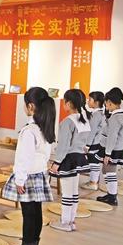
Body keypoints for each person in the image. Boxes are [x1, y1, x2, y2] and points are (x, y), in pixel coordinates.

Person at [1, 87, 55, 245]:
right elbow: (44, 155)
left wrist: (20, 179)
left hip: (28, 176)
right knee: (36, 213)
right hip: (39, 174)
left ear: (30, 106)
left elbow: (23, 158)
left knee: (28, 214)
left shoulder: (29, 130)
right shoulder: (44, 127)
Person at [49, 89, 90, 232]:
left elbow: (63, 145)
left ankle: (65, 223)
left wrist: (56, 163)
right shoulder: (84, 120)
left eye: (64, 101)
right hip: (79, 158)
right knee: (74, 192)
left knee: (66, 193)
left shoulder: (67, 122)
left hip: (68, 159)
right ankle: (71, 221)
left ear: (69, 103)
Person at [95, 88, 123, 207]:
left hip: (112, 149)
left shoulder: (115, 118)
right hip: (115, 148)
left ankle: (112, 197)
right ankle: (110, 194)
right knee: (106, 170)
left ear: (109, 102)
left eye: (106, 103)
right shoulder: (122, 116)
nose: (105, 106)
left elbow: (112, 137)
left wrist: (107, 154)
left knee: (109, 171)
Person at [82, 91, 106, 190]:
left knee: (93, 161)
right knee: (94, 161)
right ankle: (93, 181)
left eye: (90, 99)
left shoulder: (96, 115)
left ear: (96, 102)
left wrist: (87, 145)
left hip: (94, 142)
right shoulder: (99, 113)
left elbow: (92, 131)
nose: (88, 101)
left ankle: (93, 183)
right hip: (97, 141)